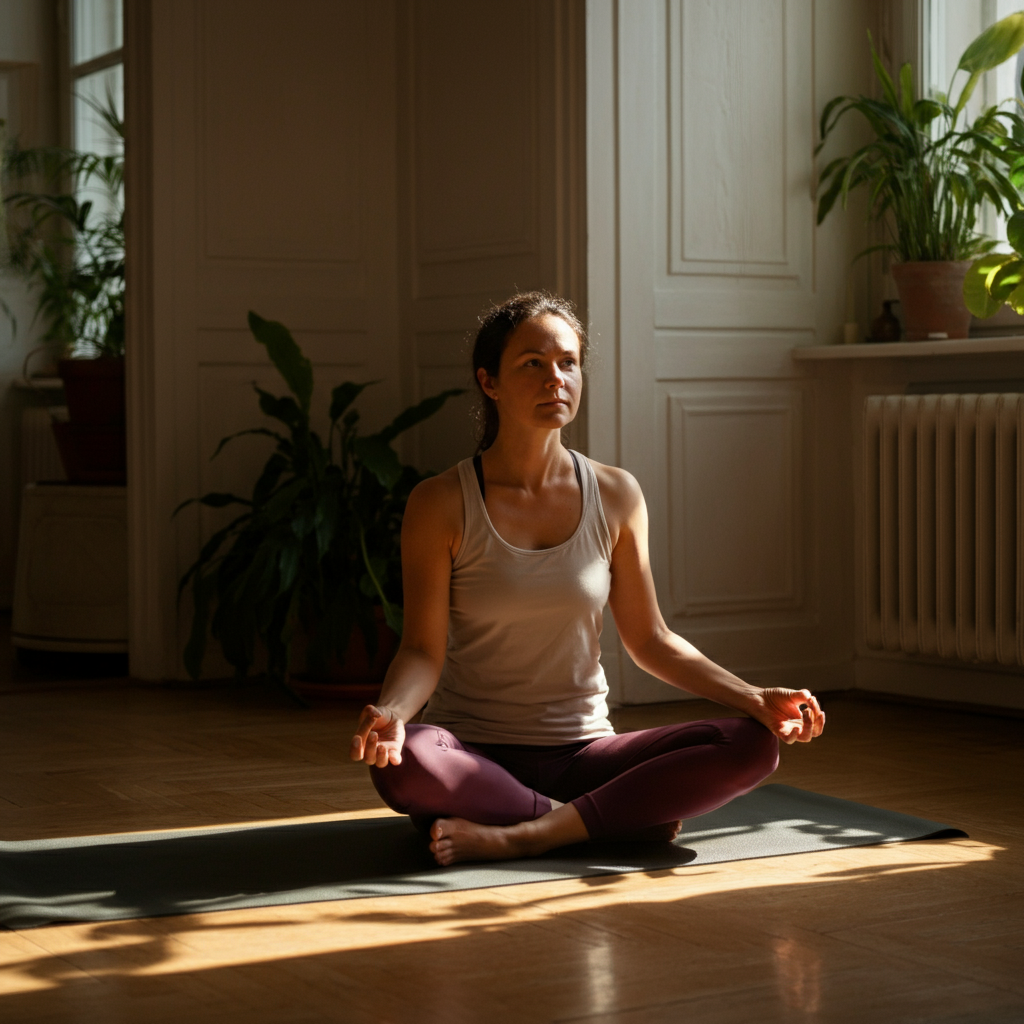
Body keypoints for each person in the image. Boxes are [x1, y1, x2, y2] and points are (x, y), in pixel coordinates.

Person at [350, 292, 825, 866]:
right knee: (408, 765)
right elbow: (422, 649)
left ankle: (528, 832)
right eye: (533, 363)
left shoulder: (617, 495)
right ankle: (604, 820)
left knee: (750, 744)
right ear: (490, 382)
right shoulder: (440, 503)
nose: (556, 378)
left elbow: (650, 640)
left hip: (585, 754)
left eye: (568, 362)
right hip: (474, 755)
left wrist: (752, 697)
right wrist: (394, 715)